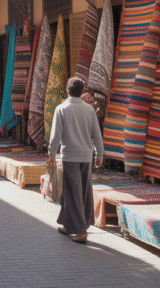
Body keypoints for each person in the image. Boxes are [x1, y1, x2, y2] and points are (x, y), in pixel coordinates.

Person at [48, 77, 104, 244]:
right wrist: (99, 154)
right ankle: (68, 224)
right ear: (83, 91)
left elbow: (56, 134)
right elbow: (97, 134)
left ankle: (79, 231)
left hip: (70, 156)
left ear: (67, 90)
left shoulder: (62, 108)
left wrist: (51, 153)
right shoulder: (89, 110)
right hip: (86, 156)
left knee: (73, 192)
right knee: (81, 190)